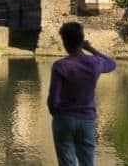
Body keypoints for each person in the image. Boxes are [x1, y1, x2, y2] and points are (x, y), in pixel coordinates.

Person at [47, 22, 116, 166]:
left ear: (65, 42)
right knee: (87, 161)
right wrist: (90, 48)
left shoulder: (60, 65)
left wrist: (57, 115)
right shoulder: (94, 63)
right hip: (87, 119)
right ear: (81, 40)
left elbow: (53, 100)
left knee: (67, 162)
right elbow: (111, 64)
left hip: (64, 118)